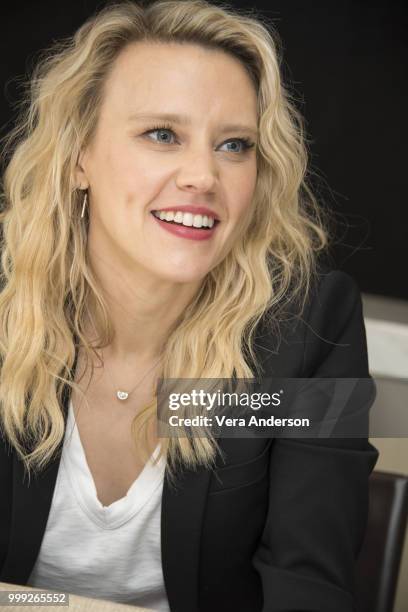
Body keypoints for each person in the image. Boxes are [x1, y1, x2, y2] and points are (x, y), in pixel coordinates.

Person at [0, 0, 379, 610]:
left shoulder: (307, 326)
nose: (203, 175)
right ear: (79, 157)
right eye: (161, 134)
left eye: (234, 145)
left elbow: (308, 586)